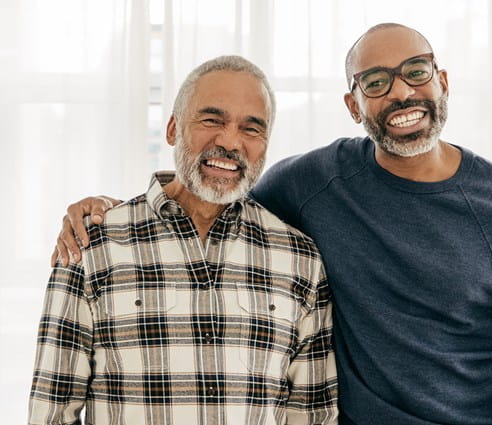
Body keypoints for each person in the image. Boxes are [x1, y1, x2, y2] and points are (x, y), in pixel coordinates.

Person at [51, 23, 492, 424]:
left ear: (441, 81)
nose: (400, 93)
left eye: (416, 71)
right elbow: (213, 191)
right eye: (376, 81)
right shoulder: (314, 183)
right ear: (353, 105)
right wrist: (110, 210)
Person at [29, 55, 338, 425]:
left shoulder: (300, 258)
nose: (229, 141)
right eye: (212, 120)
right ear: (173, 128)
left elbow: (313, 415)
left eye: (251, 128)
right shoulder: (91, 245)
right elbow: (51, 411)